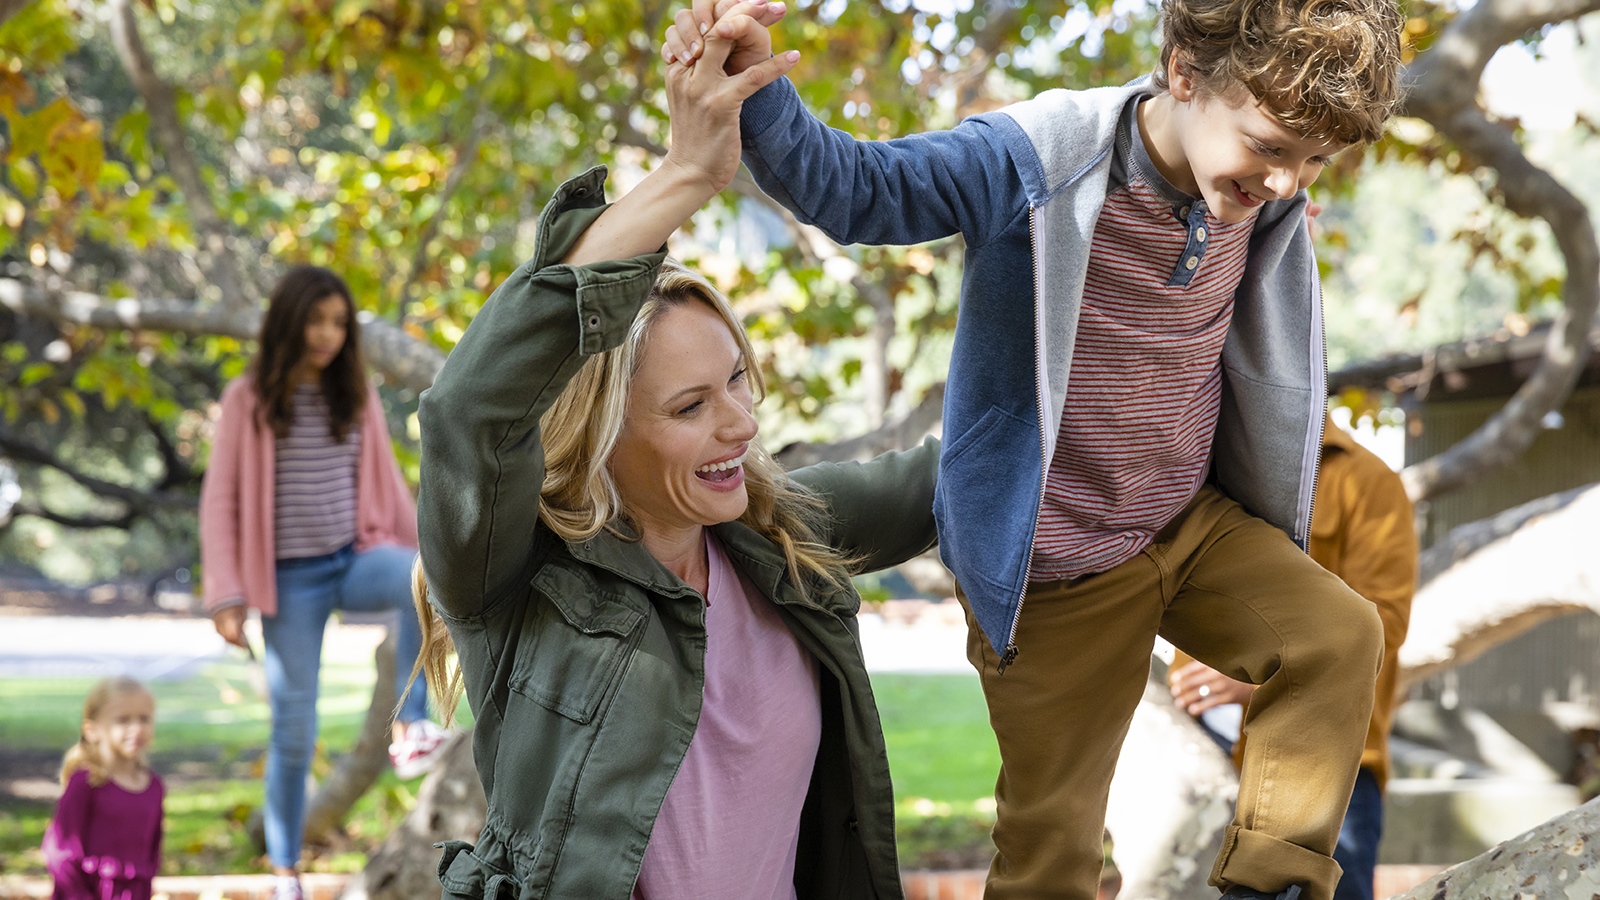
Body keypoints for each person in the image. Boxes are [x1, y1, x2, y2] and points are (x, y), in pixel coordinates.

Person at [662, 1, 1402, 898]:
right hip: (1058, 565)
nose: (1288, 182)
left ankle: (1269, 888)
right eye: (1272, 147)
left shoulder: (1253, 194)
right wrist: (755, 86)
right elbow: (856, 189)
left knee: (1335, 635)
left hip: (1187, 520)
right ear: (1183, 75)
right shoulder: (1034, 161)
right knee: (1053, 854)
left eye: (1316, 161)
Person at [411, 21, 936, 900]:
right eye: (691, 407)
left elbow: (972, 470)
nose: (739, 424)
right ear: (601, 434)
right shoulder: (514, 579)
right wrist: (686, 177)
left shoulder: (779, 537)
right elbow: (468, 412)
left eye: (737, 381)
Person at [198, 265, 449, 900]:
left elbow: (387, 484)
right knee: (293, 730)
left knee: (422, 576)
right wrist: (226, 596)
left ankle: (409, 725)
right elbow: (220, 501)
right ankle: (286, 873)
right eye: (316, 320)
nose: (328, 335)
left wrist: (423, 547)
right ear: (289, 322)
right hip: (289, 584)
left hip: (353, 557)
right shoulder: (247, 398)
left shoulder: (354, 394)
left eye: (339, 323)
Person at [1170, 413, 1418, 900]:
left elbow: (1383, 623)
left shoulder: (1367, 481)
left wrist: (1266, 676)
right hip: (1204, 749)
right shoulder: (1199, 464)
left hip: (1326, 758)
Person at [43, 676, 164, 900]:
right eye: (123, 720)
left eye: (144, 719)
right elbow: (60, 853)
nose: (136, 728)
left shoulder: (154, 787)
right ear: (92, 730)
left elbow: (153, 854)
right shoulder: (86, 783)